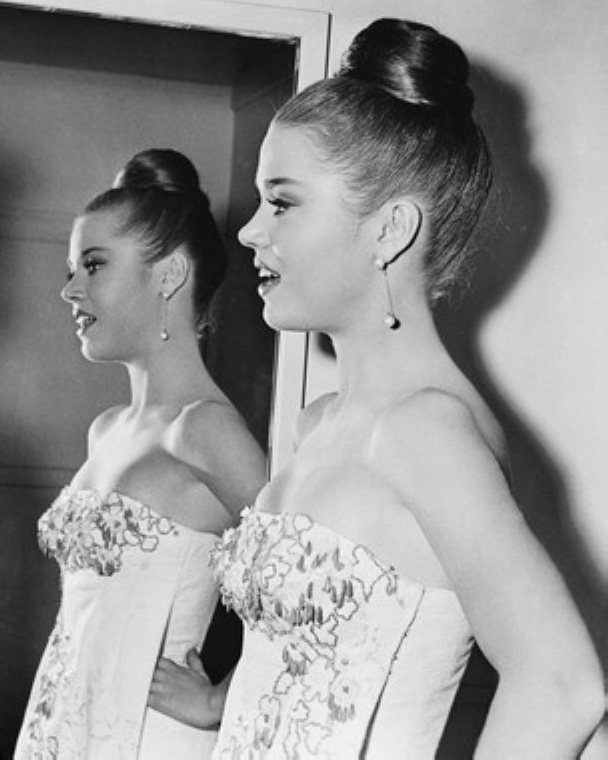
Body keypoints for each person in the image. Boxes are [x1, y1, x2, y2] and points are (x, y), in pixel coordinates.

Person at [149, 19, 605, 758]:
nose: (251, 231)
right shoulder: (321, 422)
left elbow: (562, 683)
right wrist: (213, 703)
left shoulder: (424, 429)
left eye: (283, 202)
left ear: (390, 229)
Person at [14, 149, 266, 758]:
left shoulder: (206, 430)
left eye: (94, 265)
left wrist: (218, 700)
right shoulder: (106, 430)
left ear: (170, 274)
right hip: (64, 732)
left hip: (147, 739)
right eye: (73, 268)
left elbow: (308, 592)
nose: (70, 289)